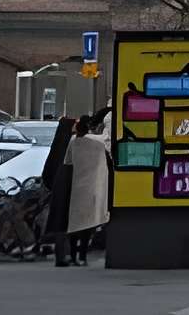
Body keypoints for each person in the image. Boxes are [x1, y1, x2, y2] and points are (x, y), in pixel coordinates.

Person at [67, 111, 111, 266]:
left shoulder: (73, 141)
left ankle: (72, 256)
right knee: (87, 224)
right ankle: (82, 256)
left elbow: (68, 161)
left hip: (76, 185)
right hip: (92, 186)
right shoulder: (97, 143)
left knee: (74, 224)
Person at [41, 116, 77, 266]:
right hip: (69, 189)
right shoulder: (72, 145)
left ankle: (61, 255)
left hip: (57, 190)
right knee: (68, 223)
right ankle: (67, 255)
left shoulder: (57, 146)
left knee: (59, 223)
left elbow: (47, 172)